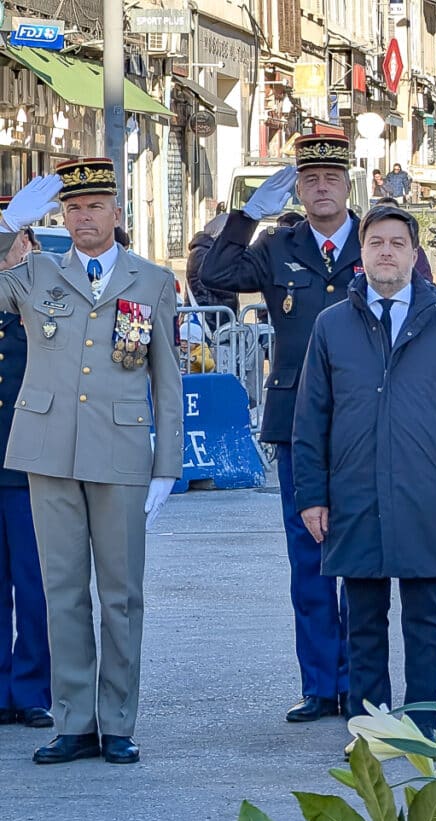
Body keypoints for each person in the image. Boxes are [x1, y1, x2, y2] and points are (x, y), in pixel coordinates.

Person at [0, 160, 183, 764]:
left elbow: (166, 378)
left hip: (122, 451)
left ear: (117, 214)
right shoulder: (36, 274)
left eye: (95, 206)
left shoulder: (151, 281)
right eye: (72, 209)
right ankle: (74, 720)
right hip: (49, 448)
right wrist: (8, 225)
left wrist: (167, 466)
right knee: (62, 590)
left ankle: (118, 721)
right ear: (60, 217)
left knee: (121, 593)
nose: (83, 218)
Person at [292, 205, 436, 742]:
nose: (385, 252)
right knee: (364, 620)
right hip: (354, 494)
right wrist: (312, 496)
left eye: (397, 243)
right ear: (362, 251)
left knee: (425, 619)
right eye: (375, 242)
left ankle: (423, 727)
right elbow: (311, 416)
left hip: (425, 495)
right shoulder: (333, 324)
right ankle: (372, 728)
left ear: (414, 254)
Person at [201, 134, 361, 724]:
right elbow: (214, 274)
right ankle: (321, 683)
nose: (322, 187)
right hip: (297, 422)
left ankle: (361, 681)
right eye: (310, 178)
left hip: (365, 421)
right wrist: (246, 215)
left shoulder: (378, 241)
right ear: (297, 187)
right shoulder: (277, 245)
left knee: (362, 555)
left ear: (349, 184)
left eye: (331, 177)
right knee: (309, 554)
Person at [0, 219, 51, 731]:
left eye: (11, 237)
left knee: (35, 585)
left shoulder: (38, 295)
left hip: (27, 462)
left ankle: (33, 688)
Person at [185, 214, 240, 326]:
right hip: (207, 317)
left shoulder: (211, 251)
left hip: (216, 315)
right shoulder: (201, 253)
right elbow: (218, 283)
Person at [372, 196, 435, 283]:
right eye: (381, 214)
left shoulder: (414, 249)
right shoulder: (364, 249)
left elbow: (425, 283)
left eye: (392, 214)